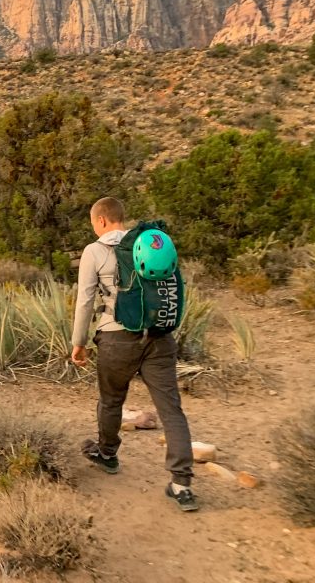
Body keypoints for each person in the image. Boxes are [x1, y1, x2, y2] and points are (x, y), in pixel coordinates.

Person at [71, 196, 198, 511]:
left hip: (117, 339)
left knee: (112, 400)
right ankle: (181, 484)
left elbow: (85, 301)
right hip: (160, 338)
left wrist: (78, 342)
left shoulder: (95, 250)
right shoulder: (151, 244)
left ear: (101, 221)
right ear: (121, 218)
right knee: (171, 411)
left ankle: (108, 455)